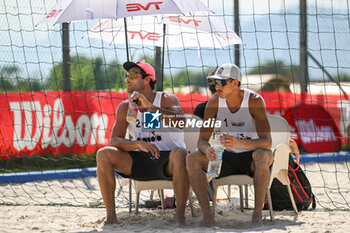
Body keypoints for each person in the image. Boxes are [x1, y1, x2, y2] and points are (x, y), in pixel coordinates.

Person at [96, 61, 189, 225]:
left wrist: (150, 107)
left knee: (181, 154)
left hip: (169, 160)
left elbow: (182, 122)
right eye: (126, 75)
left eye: (132, 75)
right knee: (103, 154)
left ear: (147, 79)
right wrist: (138, 144)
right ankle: (111, 217)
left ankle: (179, 217)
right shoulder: (126, 106)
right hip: (141, 159)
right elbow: (115, 140)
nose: (127, 79)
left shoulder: (166, 99)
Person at [186, 63, 274, 227]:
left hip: (251, 159)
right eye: (215, 83)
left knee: (262, 155)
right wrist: (207, 150)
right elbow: (202, 141)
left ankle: (257, 215)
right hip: (224, 157)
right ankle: (207, 216)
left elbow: (267, 142)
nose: (217, 86)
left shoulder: (254, 101)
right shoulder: (213, 103)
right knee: (192, 158)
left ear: (235, 83)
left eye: (222, 82)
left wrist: (240, 143)